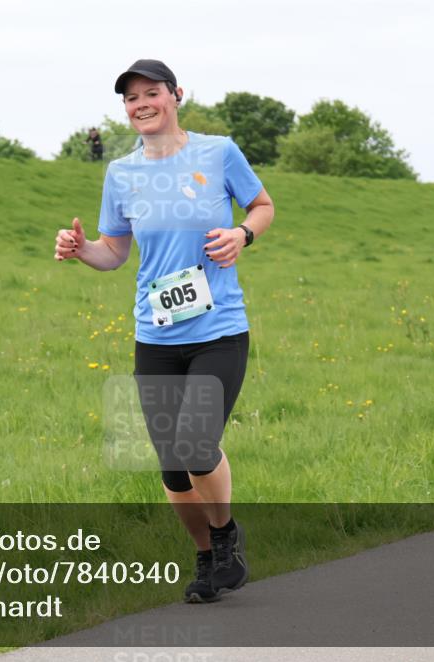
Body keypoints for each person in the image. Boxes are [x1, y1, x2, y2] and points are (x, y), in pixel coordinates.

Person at [54, 59, 275, 603]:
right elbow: (115, 253)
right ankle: (208, 561)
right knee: (173, 468)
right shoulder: (121, 174)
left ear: (176, 95)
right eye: (131, 99)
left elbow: (263, 205)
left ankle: (226, 537)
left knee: (196, 442)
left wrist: (243, 235)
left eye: (151, 93)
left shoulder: (218, 151)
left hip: (219, 329)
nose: (141, 104)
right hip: (156, 337)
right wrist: (84, 251)